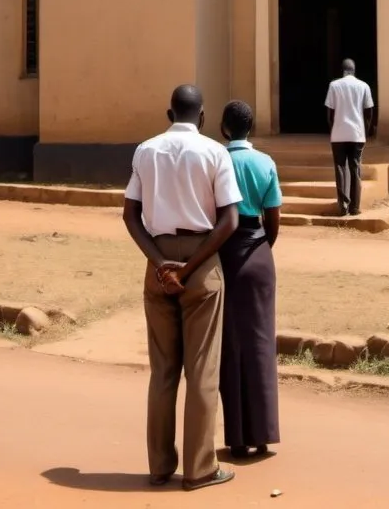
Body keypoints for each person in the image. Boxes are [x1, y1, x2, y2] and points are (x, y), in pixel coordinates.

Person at [122, 84, 242, 492]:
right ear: (204, 116)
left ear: (169, 113)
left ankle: (159, 467)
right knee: (202, 370)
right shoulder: (214, 152)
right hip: (201, 261)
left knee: (163, 371)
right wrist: (189, 267)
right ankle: (200, 469)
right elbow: (229, 221)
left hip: (157, 264)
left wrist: (161, 265)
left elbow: (130, 215)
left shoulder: (146, 150)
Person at [218, 100, 282, 458]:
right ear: (251, 127)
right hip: (258, 252)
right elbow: (272, 216)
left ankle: (237, 439)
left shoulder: (217, 159)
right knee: (261, 344)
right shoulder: (265, 162)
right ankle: (264, 434)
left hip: (223, 251)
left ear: (224, 129)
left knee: (230, 346)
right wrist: (262, 247)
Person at [324, 59, 375, 217]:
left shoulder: (334, 85)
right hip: (357, 134)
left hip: (339, 134)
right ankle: (355, 207)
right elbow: (369, 111)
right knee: (355, 168)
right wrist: (365, 130)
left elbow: (330, 112)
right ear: (354, 70)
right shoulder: (363, 86)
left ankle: (343, 206)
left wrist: (333, 128)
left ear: (343, 70)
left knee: (340, 168)